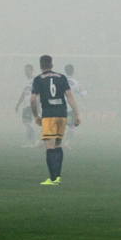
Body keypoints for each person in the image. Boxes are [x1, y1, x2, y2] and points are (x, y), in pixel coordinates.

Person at [31, 55, 81, 185]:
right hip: (61, 114)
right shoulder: (62, 77)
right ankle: (57, 177)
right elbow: (69, 96)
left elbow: (32, 99)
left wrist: (36, 116)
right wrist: (77, 114)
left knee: (49, 146)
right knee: (58, 144)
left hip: (49, 115)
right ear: (52, 65)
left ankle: (53, 179)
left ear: (41, 65)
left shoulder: (38, 79)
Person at [62, 64, 88, 150]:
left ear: (65, 71)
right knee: (71, 126)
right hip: (70, 107)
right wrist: (87, 90)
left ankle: (51, 142)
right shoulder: (76, 82)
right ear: (73, 71)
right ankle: (65, 144)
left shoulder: (61, 81)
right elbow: (82, 94)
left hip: (60, 106)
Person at [14, 64, 39, 147]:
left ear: (32, 70)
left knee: (26, 122)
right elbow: (24, 93)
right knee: (27, 122)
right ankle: (30, 142)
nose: (26, 72)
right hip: (25, 104)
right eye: (25, 70)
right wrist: (18, 104)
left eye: (27, 70)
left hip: (31, 103)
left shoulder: (35, 80)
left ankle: (35, 140)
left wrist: (38, 104)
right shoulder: (26, 82)